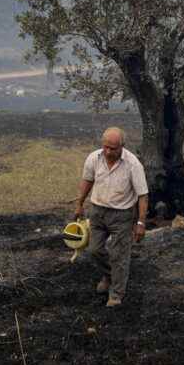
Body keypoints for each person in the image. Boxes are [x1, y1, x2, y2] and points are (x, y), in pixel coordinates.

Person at [74, 127, 149, 307]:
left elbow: (143, 195)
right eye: (106, 147)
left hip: (122, 215)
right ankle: (109, 275)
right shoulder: (94, 158)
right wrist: (79, 203)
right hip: (97, 211)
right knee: (94, 250)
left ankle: (116, 294)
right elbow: (87, 180)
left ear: (122, 146)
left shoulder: (133, 165)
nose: (108, 152)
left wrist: (140, 223)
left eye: (113, 148)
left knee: (119, 255)